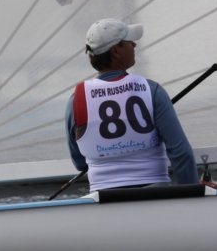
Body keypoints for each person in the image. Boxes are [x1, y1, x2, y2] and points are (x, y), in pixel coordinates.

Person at [65, 18, 197, 192]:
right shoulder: (151, 90)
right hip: (155, 191)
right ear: (116, 51)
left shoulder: (76, 100)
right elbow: (181, 153)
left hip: (103, 196)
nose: (134, 45)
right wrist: (192, 194)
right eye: (129, 42)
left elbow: (79, 162)